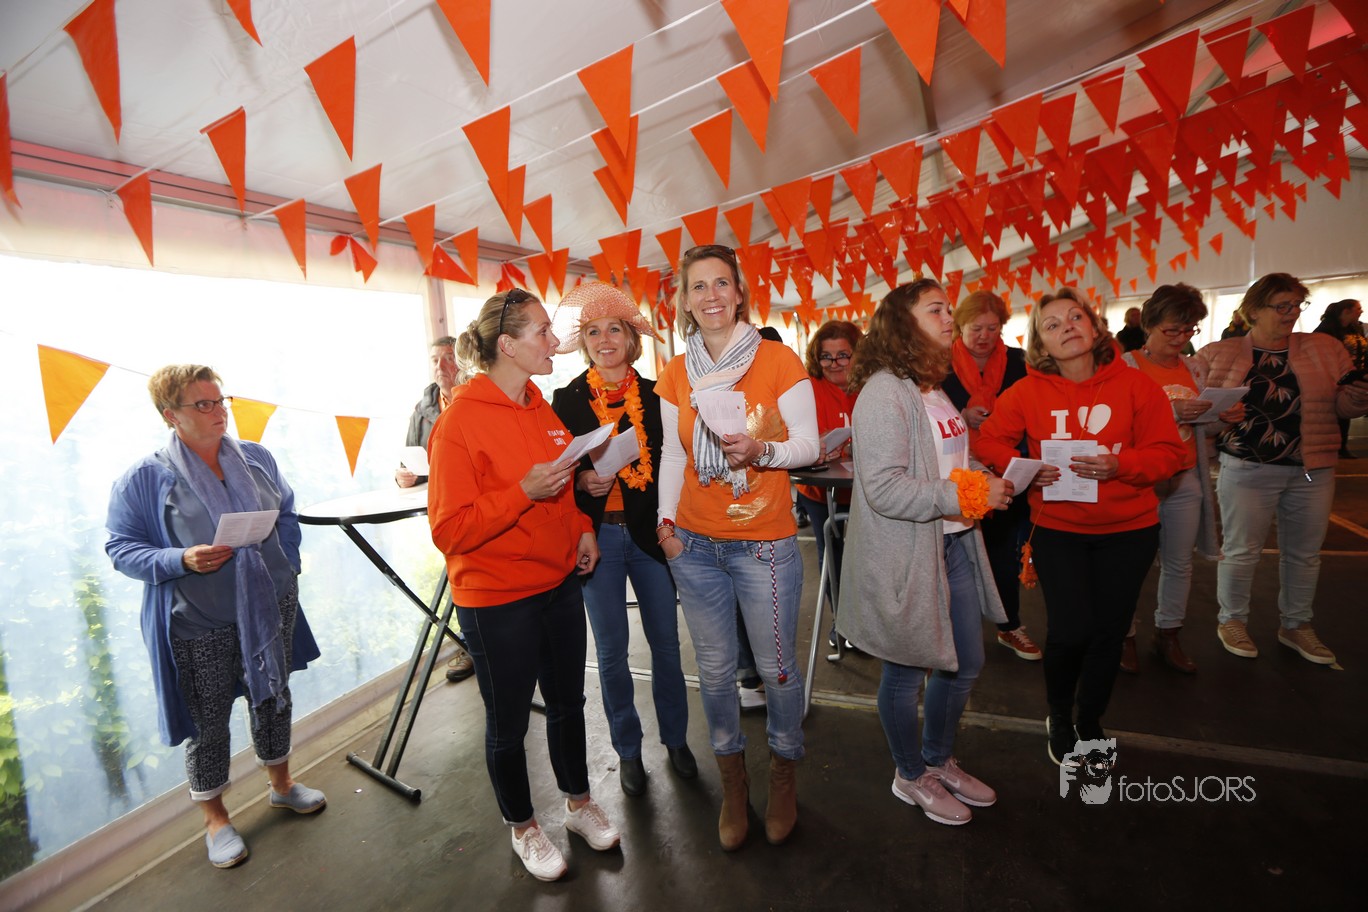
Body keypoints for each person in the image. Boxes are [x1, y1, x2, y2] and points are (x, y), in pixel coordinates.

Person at [427, 289, 619, 882]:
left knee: (568, 703)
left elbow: (562, 483)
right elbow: (449, 530)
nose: (555, 342)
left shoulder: (540, 407)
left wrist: (582, 528)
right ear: (507, 345)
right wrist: (520, 495)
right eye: (543, 332)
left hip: (558, 583)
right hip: (496, 599)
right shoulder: (459, 424)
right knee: (508, 724)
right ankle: (523, 826)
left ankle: (579, 803)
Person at [105, 365, 325, 869]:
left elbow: (286, 511)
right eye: (202, 404)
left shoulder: (255, 458)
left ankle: (282, 784)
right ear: (170, 415)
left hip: (269, 604)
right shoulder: (144, 479)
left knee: (273, 696)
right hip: (198, 620)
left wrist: (287, 563)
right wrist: (179, 559)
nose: (218, 411)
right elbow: (120, 549)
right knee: (208, 720)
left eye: (220, 400)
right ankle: (216, 820)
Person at [975, 288, 1185, 765]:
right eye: (1052, 324)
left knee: (1110, 632)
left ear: (1094, 327)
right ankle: (1059, 715)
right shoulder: (1026, 392)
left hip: (1129, 532)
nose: (1067, 326)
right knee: (1070, 630)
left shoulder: (1136, 387)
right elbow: (987, 442)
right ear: (1040, 344)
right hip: (1057, 530)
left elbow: (1170, 454)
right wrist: (1026, 468)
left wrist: (1121, 465)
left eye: (1075, 317)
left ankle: (1090, 718)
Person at [655, 244, 818, 850]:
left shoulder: (777, 359)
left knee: (777, 670)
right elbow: (672, 455)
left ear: (740, 292)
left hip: (764, 544)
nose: (711, 296)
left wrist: (762, 453)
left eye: (721, 283)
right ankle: (733, 784)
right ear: (684, 300)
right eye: (698, 286)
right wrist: (665, 527)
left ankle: (782, 775)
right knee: (717, 673)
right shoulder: (677, 372)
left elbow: (809, 444)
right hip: (694, 545)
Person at [836, 280, 1012, 826]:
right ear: (902, 322)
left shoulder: (931, 387)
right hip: (908, 554)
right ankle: (910, 774)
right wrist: (970, 494)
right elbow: (885, 488)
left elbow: (948, 462)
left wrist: (986, 476)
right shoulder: (884, 392)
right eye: (935, 309)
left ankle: (937, 759)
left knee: (964, 662)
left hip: (952, 543)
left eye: (947, 309)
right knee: (907, 671)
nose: (949, 317)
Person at [549, 283, 697, 797]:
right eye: (593, 332)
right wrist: (581, 482)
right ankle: (627, 751)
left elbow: (675, 464)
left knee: (666, 646)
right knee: (611, 653)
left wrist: (670, 522)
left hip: (650, 536)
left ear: (632, 339)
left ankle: (676, 740)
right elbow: (556, 470)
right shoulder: (566, 399)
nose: (605, 340)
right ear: (584, 343)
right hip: (596, 539)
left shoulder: (658, 395)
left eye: (615, 329)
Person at [1196, 275, 1368, 665]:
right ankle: (1232, 620)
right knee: (1241, 551)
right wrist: (1218, 418)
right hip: (1246, 468)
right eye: (1282, 306)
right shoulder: (1217, 354)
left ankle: (1296, 625)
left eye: (1296, 305)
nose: (1291, 313)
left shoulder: (1325, 348)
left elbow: (1341, 408)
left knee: (1305, 555)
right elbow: (1201, 419)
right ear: (1254, 310)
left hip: (1313, 469)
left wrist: (1359, 398)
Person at [1121, 285, 1244, 674]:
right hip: (1139, 481)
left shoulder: (1195, 368)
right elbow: (1118, 427)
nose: (1180, 338)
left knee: (1179, 563)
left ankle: (1168, 633)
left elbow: (1200, 429)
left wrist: (1221, 418)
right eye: (1172, 330)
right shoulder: (1125, 366)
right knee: (1129, 565)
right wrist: (1172, 411)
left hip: (1186, 474)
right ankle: (1123, 635)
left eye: (1189, 330)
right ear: (1149, 324)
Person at [941, 290, 1039, 661]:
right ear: (959, 327)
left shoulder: (1019, 362)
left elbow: (1034, 407)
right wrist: (961, 417)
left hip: (1008, 466)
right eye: (976, 328)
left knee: (1004, 551)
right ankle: (946, 633)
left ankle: (1008, 624)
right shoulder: (939, 363)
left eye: (992, 328)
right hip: (956, 468)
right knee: (952, 555)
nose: (984, 336)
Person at [395, 336, 474, 683]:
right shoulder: (423, 409)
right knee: (458, 576)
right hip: (442, 508)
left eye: (448, 358)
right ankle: (472, 646)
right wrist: (403, 476)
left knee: (474, 575)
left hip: (477, 504)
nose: (441, 366)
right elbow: (408, 459)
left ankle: (482, 643)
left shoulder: (478, 399)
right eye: (434, 360)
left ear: (463, 361)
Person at [795, 320, 861, 649]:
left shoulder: (871, 386)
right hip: (819, 490)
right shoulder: (807, 388)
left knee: (863, 556)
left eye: (843, 355)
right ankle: (842, 623)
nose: (834, 364)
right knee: (832, 555)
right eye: (826, 357)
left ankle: (866, 622)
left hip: (864, 490)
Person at [1312, 299, 1367, 458]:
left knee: (1346, 412)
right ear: (1346, 311)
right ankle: (1332, 448)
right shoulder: (1326, 329)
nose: (1361, 311)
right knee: (1332, 413)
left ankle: (1341, 447)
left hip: (1353, 374)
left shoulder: (1355, 328)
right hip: (1332, 377)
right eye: (1358, 309)